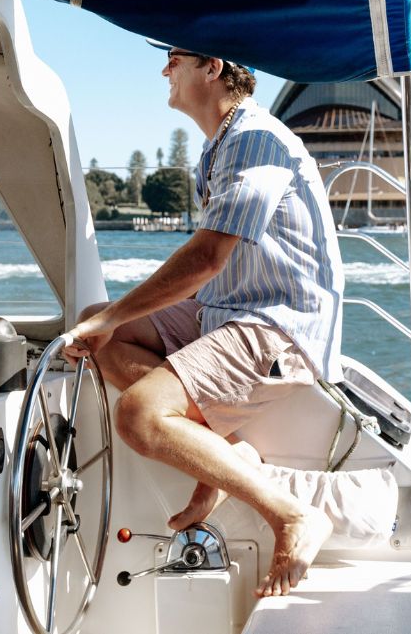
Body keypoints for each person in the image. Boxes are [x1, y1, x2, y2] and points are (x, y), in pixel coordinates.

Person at [64, 44, 344, 597]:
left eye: (175, 59)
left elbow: (208, 257)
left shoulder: (255, 139)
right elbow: (209, 271)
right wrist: (109, 320)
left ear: (212, 68)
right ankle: (228, 449)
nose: (164, 69)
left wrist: (119, 313)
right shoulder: (220, 146)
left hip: (275, 326)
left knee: (138, 416)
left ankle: (291, 515)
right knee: (99, 326)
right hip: (227, 312)